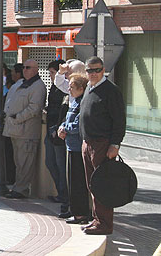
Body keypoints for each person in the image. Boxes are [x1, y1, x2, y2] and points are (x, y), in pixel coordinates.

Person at [79, 56, 126, 235]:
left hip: (102, 144)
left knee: (102, 185)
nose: (93, 74)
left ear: (103, 69)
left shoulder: (111, 91)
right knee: (92, 185)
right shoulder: (89, 88)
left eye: (97, 70)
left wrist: (115, 144)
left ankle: (105, 224)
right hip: (88, 142)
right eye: (89, 70)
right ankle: (97, 219)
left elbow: (119, 120)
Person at [2, 59, 47, 199]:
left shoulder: (38, 86)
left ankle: (21, 189)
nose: (25, 70)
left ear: (36, 69)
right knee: (18, 161)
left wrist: (17, 117)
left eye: (28, 67)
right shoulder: (20, 83)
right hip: (14, 129)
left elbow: (34, 108)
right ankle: (18, 186)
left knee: (25, 162)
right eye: (23, 67)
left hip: (26, 131)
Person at [58, 74, 91, 225]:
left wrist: (65, 128)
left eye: (72, 87)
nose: (69, 90)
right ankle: (75, 210)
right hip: (71, 146)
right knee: (72, 180)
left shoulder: (82, 103)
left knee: (78, 182)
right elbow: (68, 119)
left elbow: (78, 125)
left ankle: (80, 214)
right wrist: (62, 126)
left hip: (78, 147)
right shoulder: (76, 101)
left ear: (81, 88)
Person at [44, 59, 69, 217]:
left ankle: (64, 196)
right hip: (50, 128)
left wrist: (57, 127)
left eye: (53, 73)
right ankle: (61, 193)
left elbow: (63, 110)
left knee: (61, 165)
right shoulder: (53, 87)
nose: (51, 76)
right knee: (50, 162)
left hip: (59, 131)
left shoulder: (65, 89)